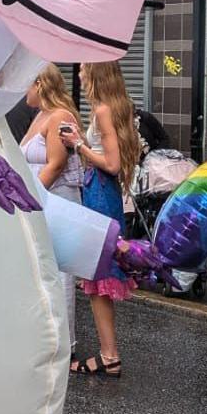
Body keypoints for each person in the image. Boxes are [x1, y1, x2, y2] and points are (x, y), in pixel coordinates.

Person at [71, 62, 143, 378]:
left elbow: (111, 163)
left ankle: (109, 355)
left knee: (98, 278)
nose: (79, 74)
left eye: (84, 68)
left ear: (97, 74)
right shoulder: (118, 107)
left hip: (100, 190)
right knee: (99, 277)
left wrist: (78, 145)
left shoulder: (103, 111)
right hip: (106, 192)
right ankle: (108, 352)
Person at [21, 65, 84, 201]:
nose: (24, 90)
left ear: (38, 85)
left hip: (56, 200)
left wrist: (29, 198)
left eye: (27, 84)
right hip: (42, 198)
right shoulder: (41, 115)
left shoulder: (60, 116)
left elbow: (56, 165)